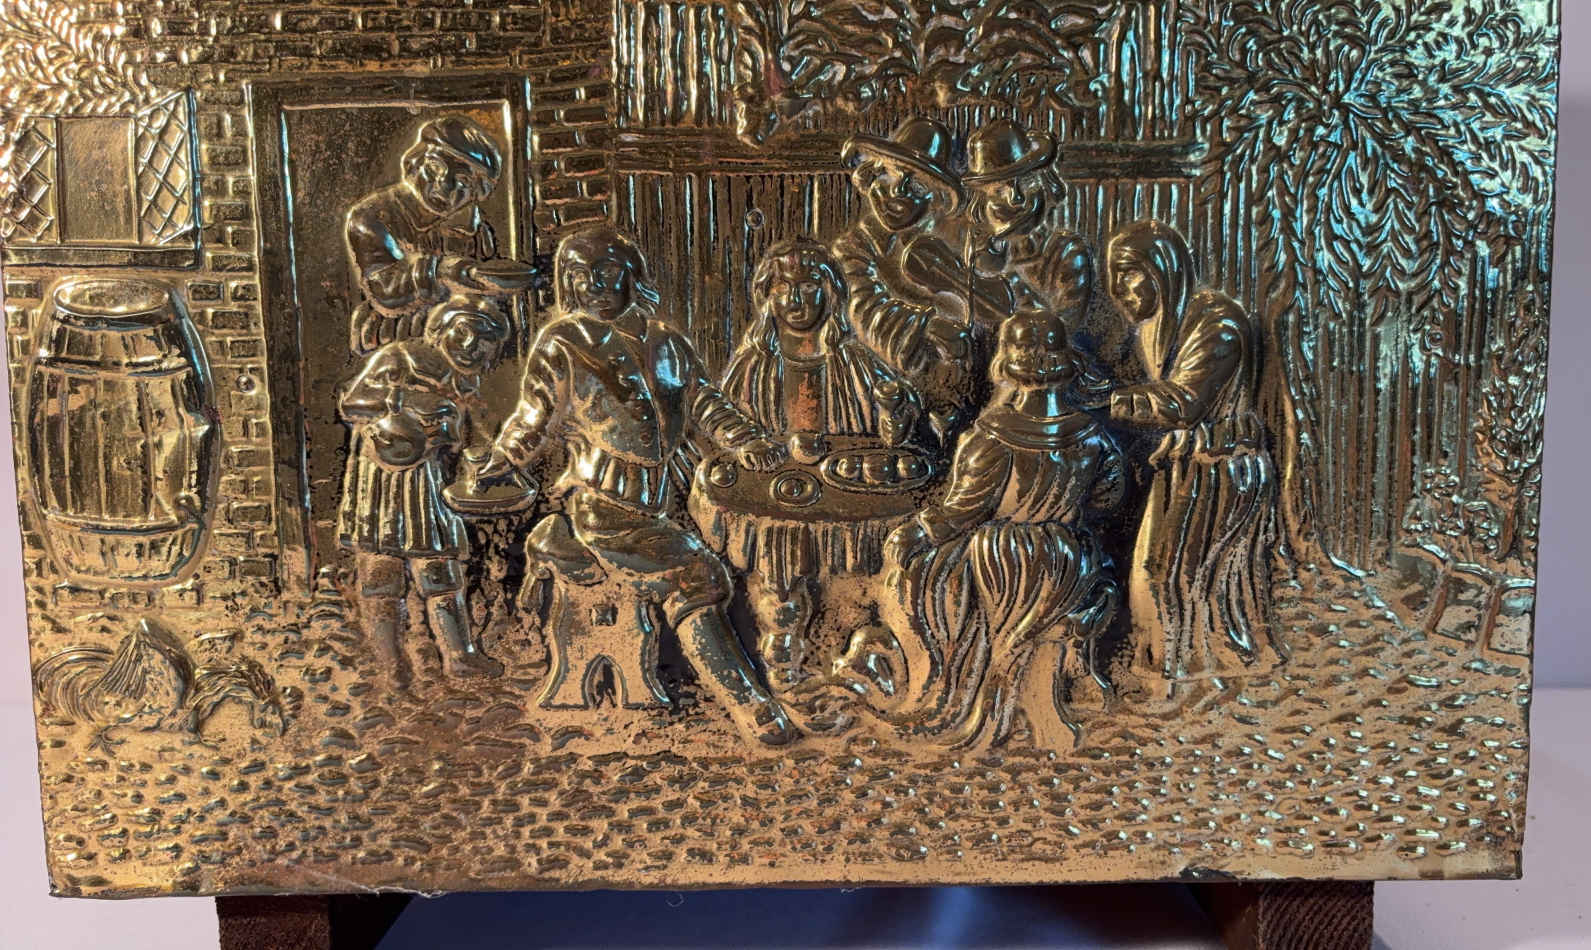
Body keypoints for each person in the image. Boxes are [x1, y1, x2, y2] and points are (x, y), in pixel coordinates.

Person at [478, 224, 799, 746]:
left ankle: (781, 671)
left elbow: (703, 400)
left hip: (667, 496)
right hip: (604, 506)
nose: (593, 284)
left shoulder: (665, 340)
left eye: (607, 270)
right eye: (578, 275)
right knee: (696, 578)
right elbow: (533, 415)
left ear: (632, 275)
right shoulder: (562, 342)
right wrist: (501, 458)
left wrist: (747, 440)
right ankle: (749, 703)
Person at [834, 310, 1127, 750]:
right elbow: (1107, 499)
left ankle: (979, 699)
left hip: (1005, 556)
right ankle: (1048, 703)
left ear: (1006, 364)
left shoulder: (992, 436)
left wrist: (917, 533)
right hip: (1069, 556)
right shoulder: (1091, 436)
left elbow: (963, 509)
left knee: (922, 578)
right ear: (1065, 363)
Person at [713, 236, 923, 689]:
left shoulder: (853, 360)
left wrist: (894, 410)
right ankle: (782, 669)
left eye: (809, 287)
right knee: (780, 581)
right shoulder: (754, 364)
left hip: (844, 489)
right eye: (784, 288)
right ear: (767, 296)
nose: (796, 300)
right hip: (774, 492)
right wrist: (744, 445)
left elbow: (895, 436)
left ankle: (850, 660)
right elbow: (723, 425)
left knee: (855, 585)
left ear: (830, 294)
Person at [1103, 219, 1284, 699]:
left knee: (1178, 576)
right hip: (1187, 467)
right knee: (1167, 576)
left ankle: (1199, 680)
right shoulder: (1156, 329)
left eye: (1128, 273)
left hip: (1223, 469)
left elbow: (1185, 403)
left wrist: (1109, 401)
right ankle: (1186, 674)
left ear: (1160, 270)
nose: (1118, 290)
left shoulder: (1217, 323)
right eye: (1113, 276)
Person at [337, 292, 512, 687]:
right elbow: (353, 403)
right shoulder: (399, 358)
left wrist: (485, 455)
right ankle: (390, 664)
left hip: (430, 481)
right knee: (381, 573)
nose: (470, 345)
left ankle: (460, 655)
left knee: (440, 568)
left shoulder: (462, 380)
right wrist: (407, 402)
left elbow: (470, 432)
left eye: (483, 340)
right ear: (442, 329)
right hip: (382, 481)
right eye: (463, 332)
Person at [832, 118, 1013, 443]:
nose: (896, 193)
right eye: (888, 175)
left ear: (935, 199)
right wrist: (926, 326)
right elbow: (863, 308)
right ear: (870, 177)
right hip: (877, 386)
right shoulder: (852, 249)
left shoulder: (949, 246)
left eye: (915, 187)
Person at [343, 115, 532, 354]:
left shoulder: (473, 227)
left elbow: (487, 294)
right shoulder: (373, 216)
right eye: (435, 168)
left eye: (462, 181)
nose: (445, 186)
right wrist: (442, 272)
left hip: (459, 337)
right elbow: (384, 289)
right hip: (393, 335)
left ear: (476, 192)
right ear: (415, 164)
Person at [962, 119, 1093, 318]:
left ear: (1045, 186)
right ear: (982, 203)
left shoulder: (1064, 252)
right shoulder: (976, 254)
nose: (1016, 199)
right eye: (998, 191)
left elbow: (1063, 327)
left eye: (1027, 182)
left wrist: (1012, 286)